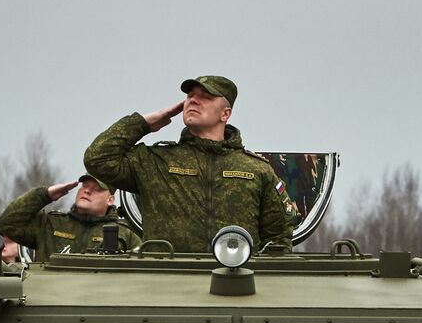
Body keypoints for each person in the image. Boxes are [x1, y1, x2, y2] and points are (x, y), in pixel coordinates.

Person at [84, 75, 295, 254]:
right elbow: (97, 159)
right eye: (190, 96)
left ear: (225, 114)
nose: (193, 101)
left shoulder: (256, 169)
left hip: (232, 283)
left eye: (205, 97)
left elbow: (278, 239)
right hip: (163, 283)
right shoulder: (155, 161)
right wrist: (144, 123)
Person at [0, 174, 140, 261]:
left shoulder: (126, 234)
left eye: (97, 189)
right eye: (84, 186)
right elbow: (8, 222)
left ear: (110, 200)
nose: (87, 191)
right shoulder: (51, 225)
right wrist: (44, 195)